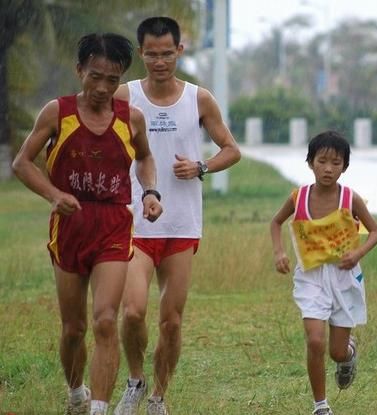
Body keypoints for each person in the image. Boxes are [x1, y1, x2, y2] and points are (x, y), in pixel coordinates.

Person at [11, 33, 163, 415]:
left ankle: (98, 407)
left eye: (112, 80)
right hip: (70, 225)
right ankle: (76, 391)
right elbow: (22, 163)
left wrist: (150, 192)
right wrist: (52, 194)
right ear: (79, 70)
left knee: (106, 320)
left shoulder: (132, 118)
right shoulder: (56, 112)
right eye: (94, 76)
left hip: (113, 223)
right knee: (74, 329)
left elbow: (145, 159)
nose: (102, 87)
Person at [112, 17, 240, 415]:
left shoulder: (198, 99)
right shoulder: (123, 95)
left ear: (180, 51)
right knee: (133, 310)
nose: (160, 61)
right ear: (140, 53)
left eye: (168, 53)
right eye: (152, 54)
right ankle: (135, 381)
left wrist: (201, 167)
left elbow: (231, 149)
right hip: (134, 220)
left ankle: (158, 398)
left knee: (171, 321)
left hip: (183, 222)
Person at [270, 130, 377, 415]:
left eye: (336, 163)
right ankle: (321, 406)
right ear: (310, 163)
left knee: (336, 351)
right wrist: (279, 252)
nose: (328, 168)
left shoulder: (350, 198)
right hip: (310, 278)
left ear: (344, 167)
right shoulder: (299, 197)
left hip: (344, 278)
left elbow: (375, 232)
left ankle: (348, 355)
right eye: (322, 161)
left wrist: (357, 254)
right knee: (316, 340)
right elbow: (276, 222)